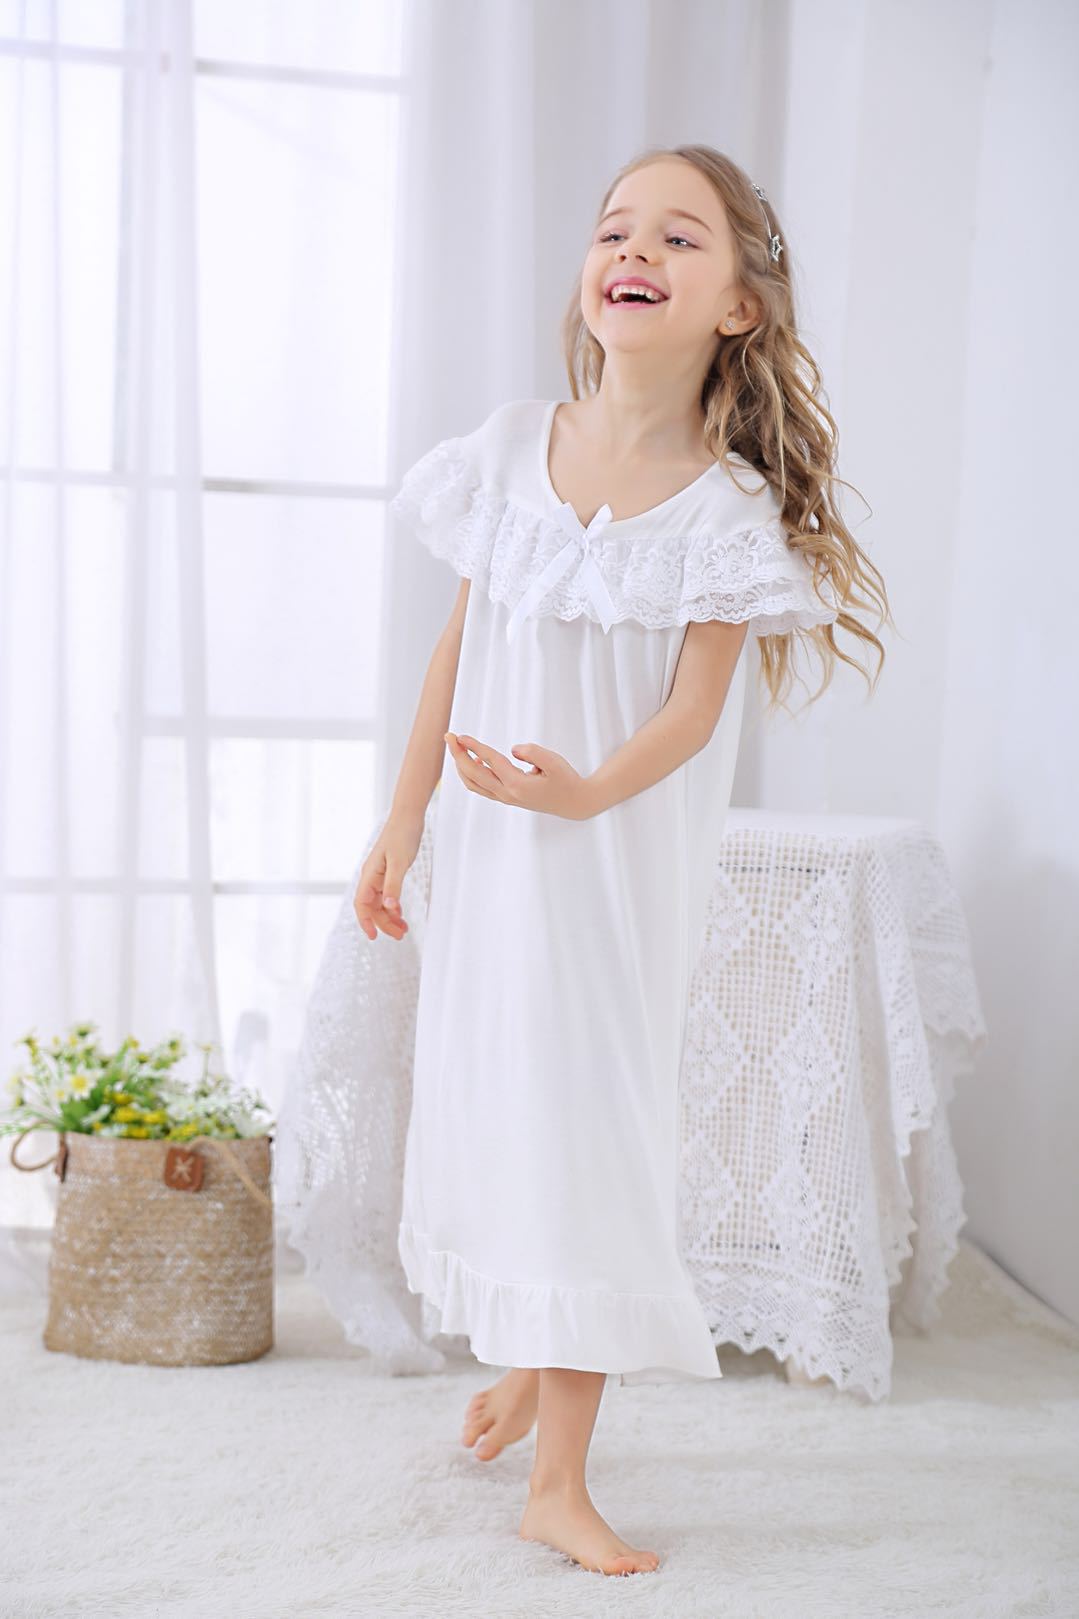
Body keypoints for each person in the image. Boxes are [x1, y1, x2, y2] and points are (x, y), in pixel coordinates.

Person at [354, 143, 887, 1578]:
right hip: (491, 858)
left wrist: (585, 796)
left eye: (679, 236)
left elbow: (693, 715)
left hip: (607, 870)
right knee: (506, 1104)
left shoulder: (726, 513)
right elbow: (456, 650)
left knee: (589, 1129)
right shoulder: (503, 450)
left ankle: (558, 1481)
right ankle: (537, 1364)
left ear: (740, 305)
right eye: (614, 229)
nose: (634, 250)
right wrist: (404, 816)